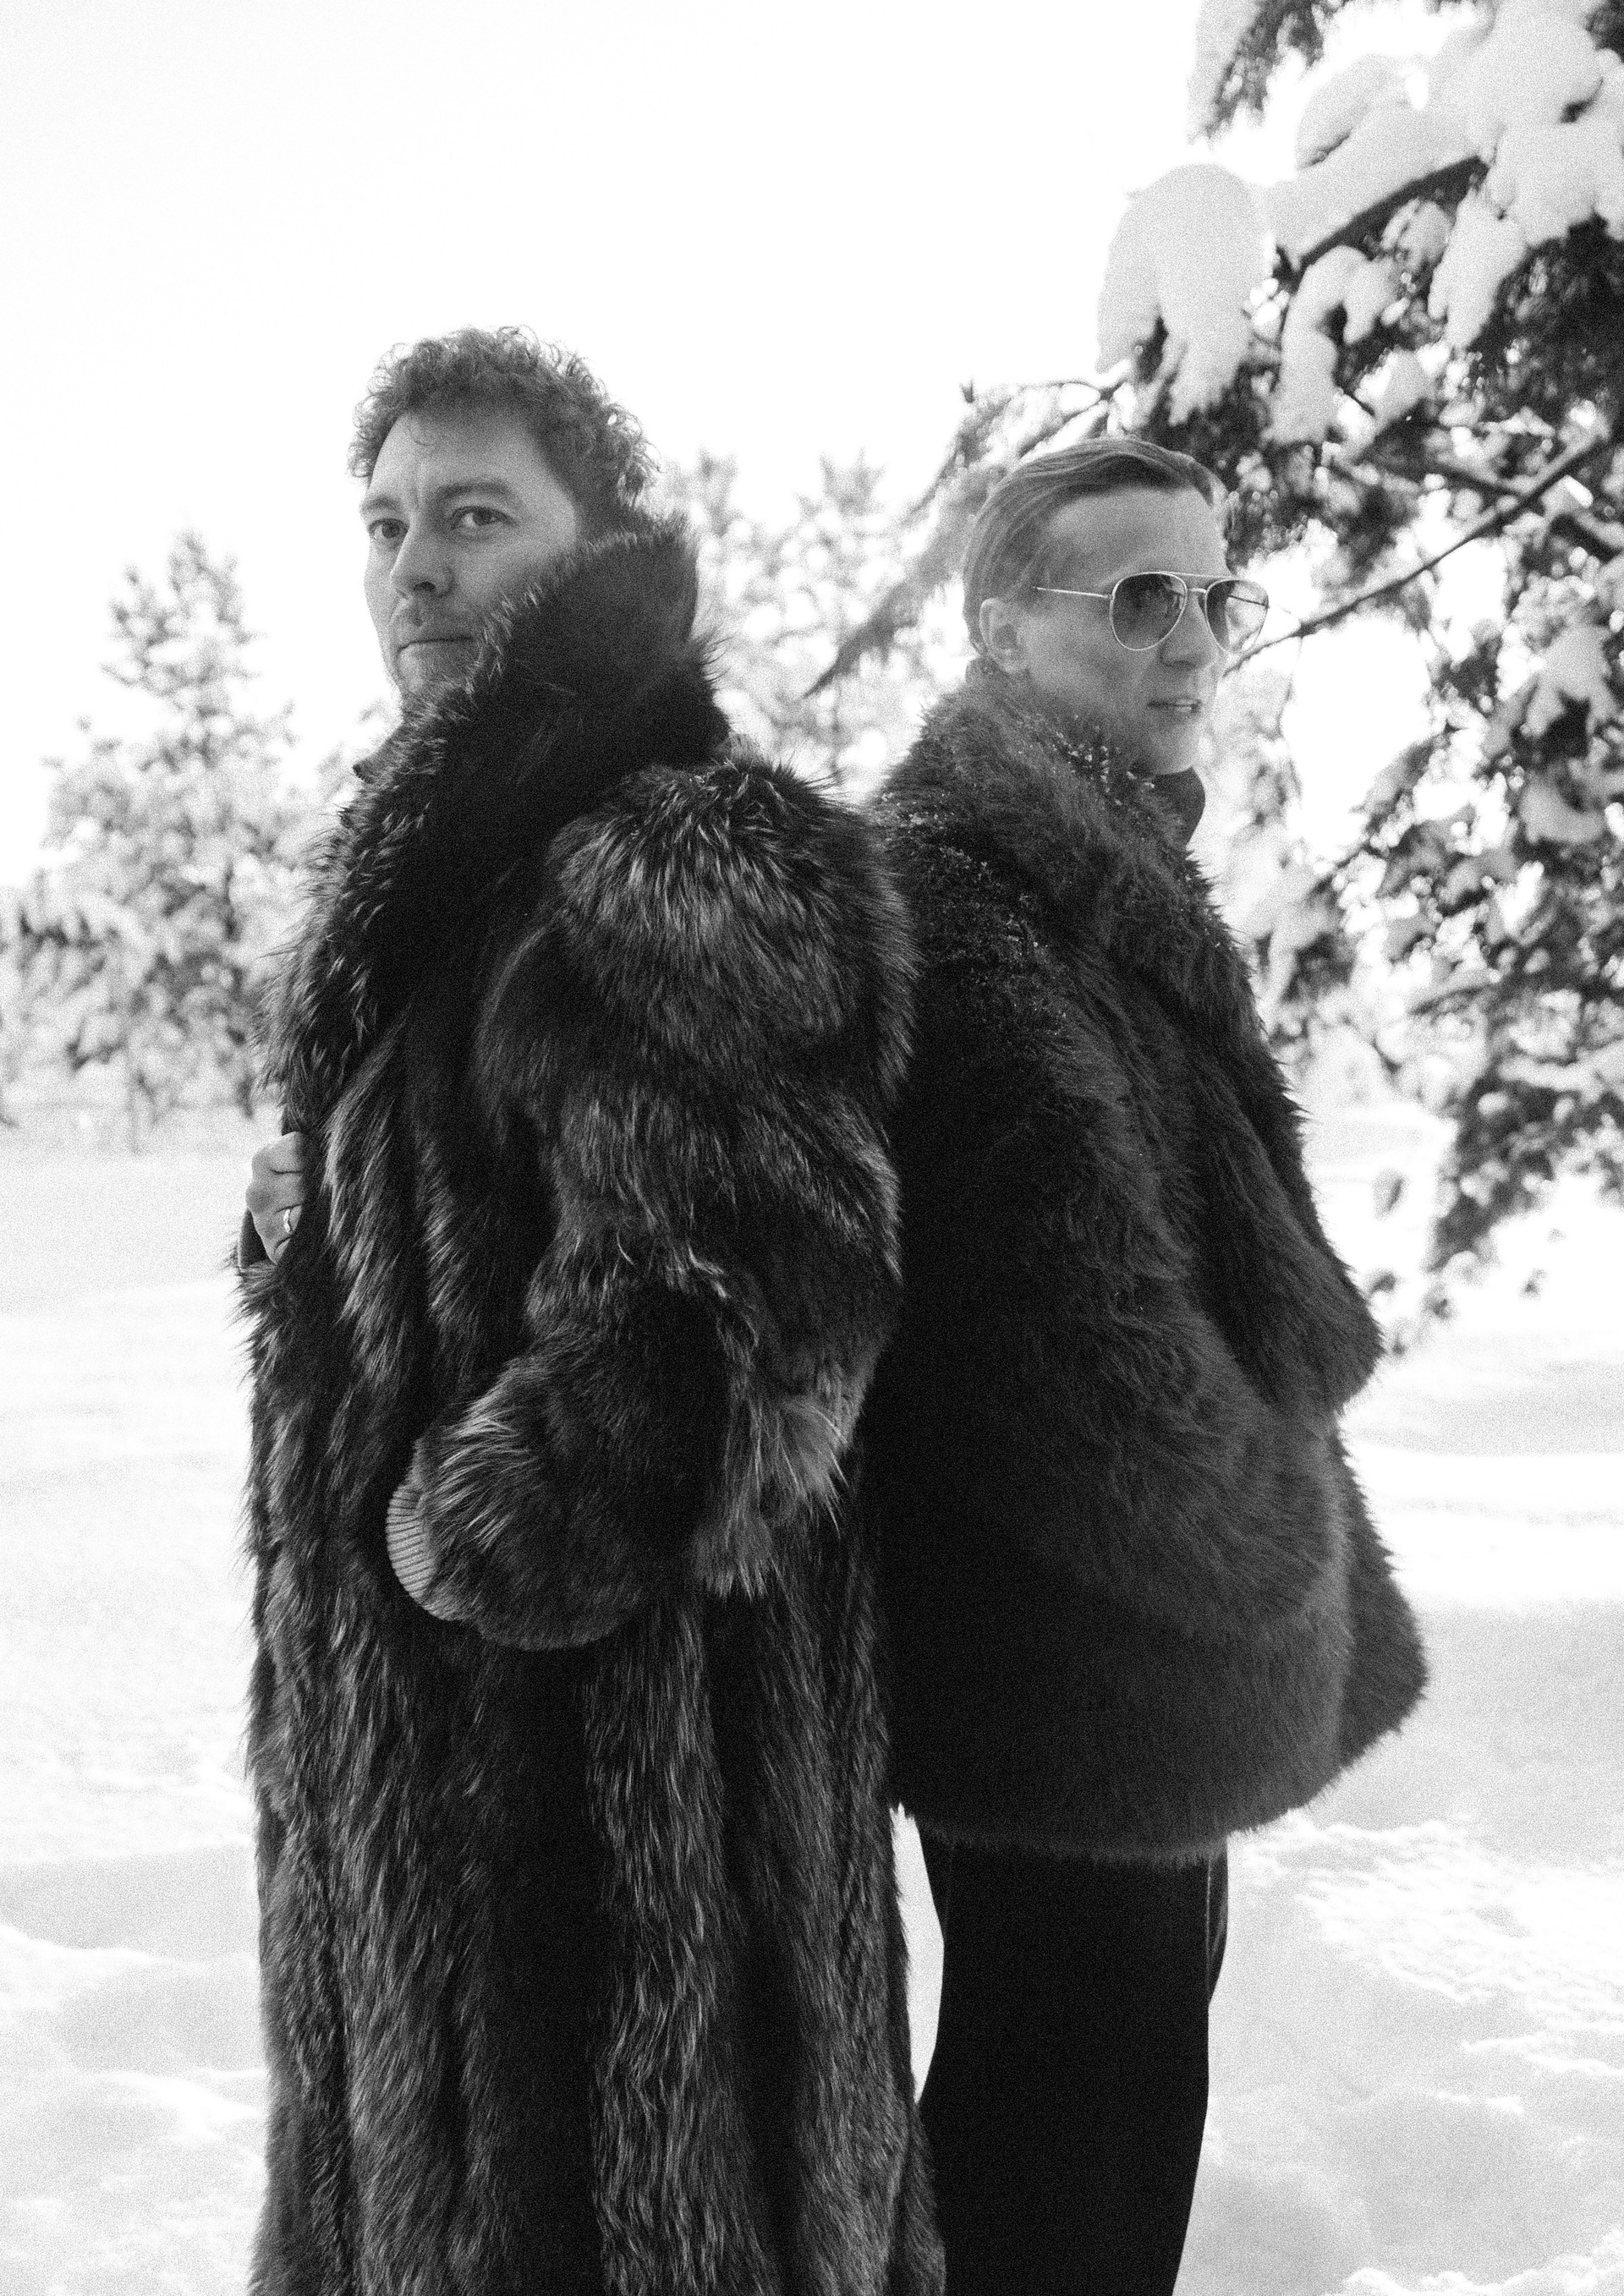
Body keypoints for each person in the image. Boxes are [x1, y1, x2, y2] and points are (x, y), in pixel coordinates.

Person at [239, 327, 941, 2296]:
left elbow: (744, 1317)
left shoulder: (665, 848)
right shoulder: (454, 870)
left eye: (476, 516)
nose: (417, 568)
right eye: (388, 522)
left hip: (625, 1845)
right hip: (438, 1807)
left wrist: (462, 1536)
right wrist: (307, 1245)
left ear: (593, 541)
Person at [859, 436, 1428, 2296]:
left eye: (1213, 595)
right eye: (1135, 597)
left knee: (1094, 2108)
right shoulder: (966, 901)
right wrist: (1256, 1535)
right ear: (998, 628)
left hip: (1112, 1651)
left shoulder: (1081, 874)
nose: (1190, 640)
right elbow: (1050, 1311)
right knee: (1067, 2160)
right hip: (1069, 1656)